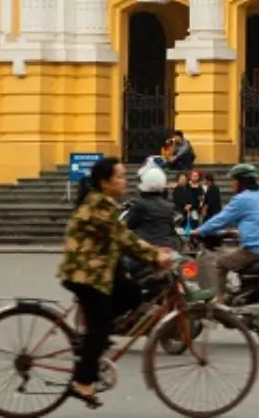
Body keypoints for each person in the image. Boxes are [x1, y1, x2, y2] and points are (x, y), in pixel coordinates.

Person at [59, 156, 175, 408]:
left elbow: (124, 238)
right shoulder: (100, 206)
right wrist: (156, 256)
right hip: (85, 273)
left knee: (132, 294)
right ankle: (82, 382)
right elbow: (125, 239)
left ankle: (95, 339)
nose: (125, 181)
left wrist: (155, 255)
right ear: (104, 182)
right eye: (120, 177)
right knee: (99, 326)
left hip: (104, 267)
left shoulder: (106, 203)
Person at [194, 163, 259, 282]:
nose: (232, 184)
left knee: (221, 264)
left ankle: (220, 300)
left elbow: (221, 219)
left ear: (240, 182)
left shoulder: (241, 199)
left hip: (255, 251)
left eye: (233, 180)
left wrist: (199, 230)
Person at [124, 163, 180, 250]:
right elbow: (171, 229)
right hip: (167, 248)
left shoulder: (140, 205)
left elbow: (128, 225)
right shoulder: (169, 206)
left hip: (146, 250)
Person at [171, 171, 199, 236]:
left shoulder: (189, 188)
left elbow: (193, 198)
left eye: (184, 179)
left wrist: (190, 205)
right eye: (181, 179)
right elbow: (177, 200)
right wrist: (185, 205)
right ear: (178, 180)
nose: (183, 181)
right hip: (180, 212)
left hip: (189, 211)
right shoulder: (176, 189)